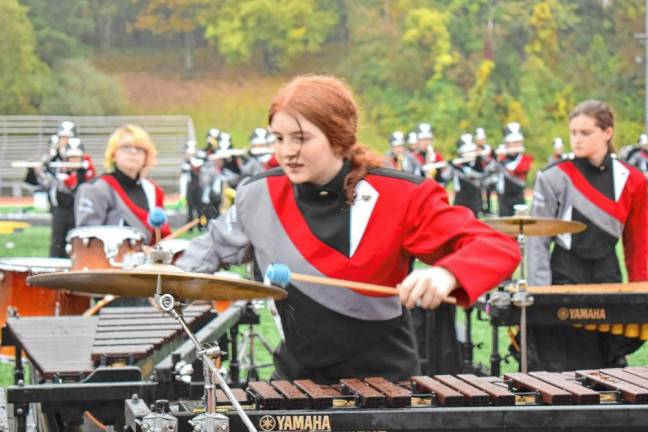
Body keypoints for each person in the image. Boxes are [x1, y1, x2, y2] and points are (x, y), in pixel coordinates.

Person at [177, 75, 520, 383]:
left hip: (385, 382)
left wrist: (447, 274)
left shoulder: (400, 196)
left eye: (301, 138)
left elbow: (496, 246)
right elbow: (206, 251)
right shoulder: (259, 195)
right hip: (296, 379)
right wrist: (169, 273)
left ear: (338, 139)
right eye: (278, 138)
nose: (287, 152)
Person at [527, 100, 648, 371]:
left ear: (607, 133)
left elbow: (638, 242)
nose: (576, 140)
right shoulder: (554, 177)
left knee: (608, 364)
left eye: (585, 133)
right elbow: (537, 241)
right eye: (573, 133)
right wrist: (540, 294)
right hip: (565, 273)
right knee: (562, 364)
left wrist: (641, 292)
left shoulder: (634, 180)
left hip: (608, 275)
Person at [75, 124, 170, 243]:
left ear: (146, 156)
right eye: (126, 147)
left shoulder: (154, 191)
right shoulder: (96, 189)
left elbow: (161, 237)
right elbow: (88, 241)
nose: (133, 152)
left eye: (140, 148)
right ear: (114, 154)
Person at [40, 137, 96, 257]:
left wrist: (81, 173)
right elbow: (46, 183)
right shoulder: (59, 174)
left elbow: (82, 188)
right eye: (71, 158)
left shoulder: (87, 175)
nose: (74, 161)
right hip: (61, 214)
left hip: (79, 215)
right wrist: (43, 169)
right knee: (57, 244)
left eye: (76, 158)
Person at [496, 122, 533, 216]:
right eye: (511, 143)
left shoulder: (525, 159)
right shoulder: (500, 158)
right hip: (503, 199)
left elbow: (518, 169)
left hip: (518, 198)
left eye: (517, 143)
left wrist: (502, 161)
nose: (514, 146)